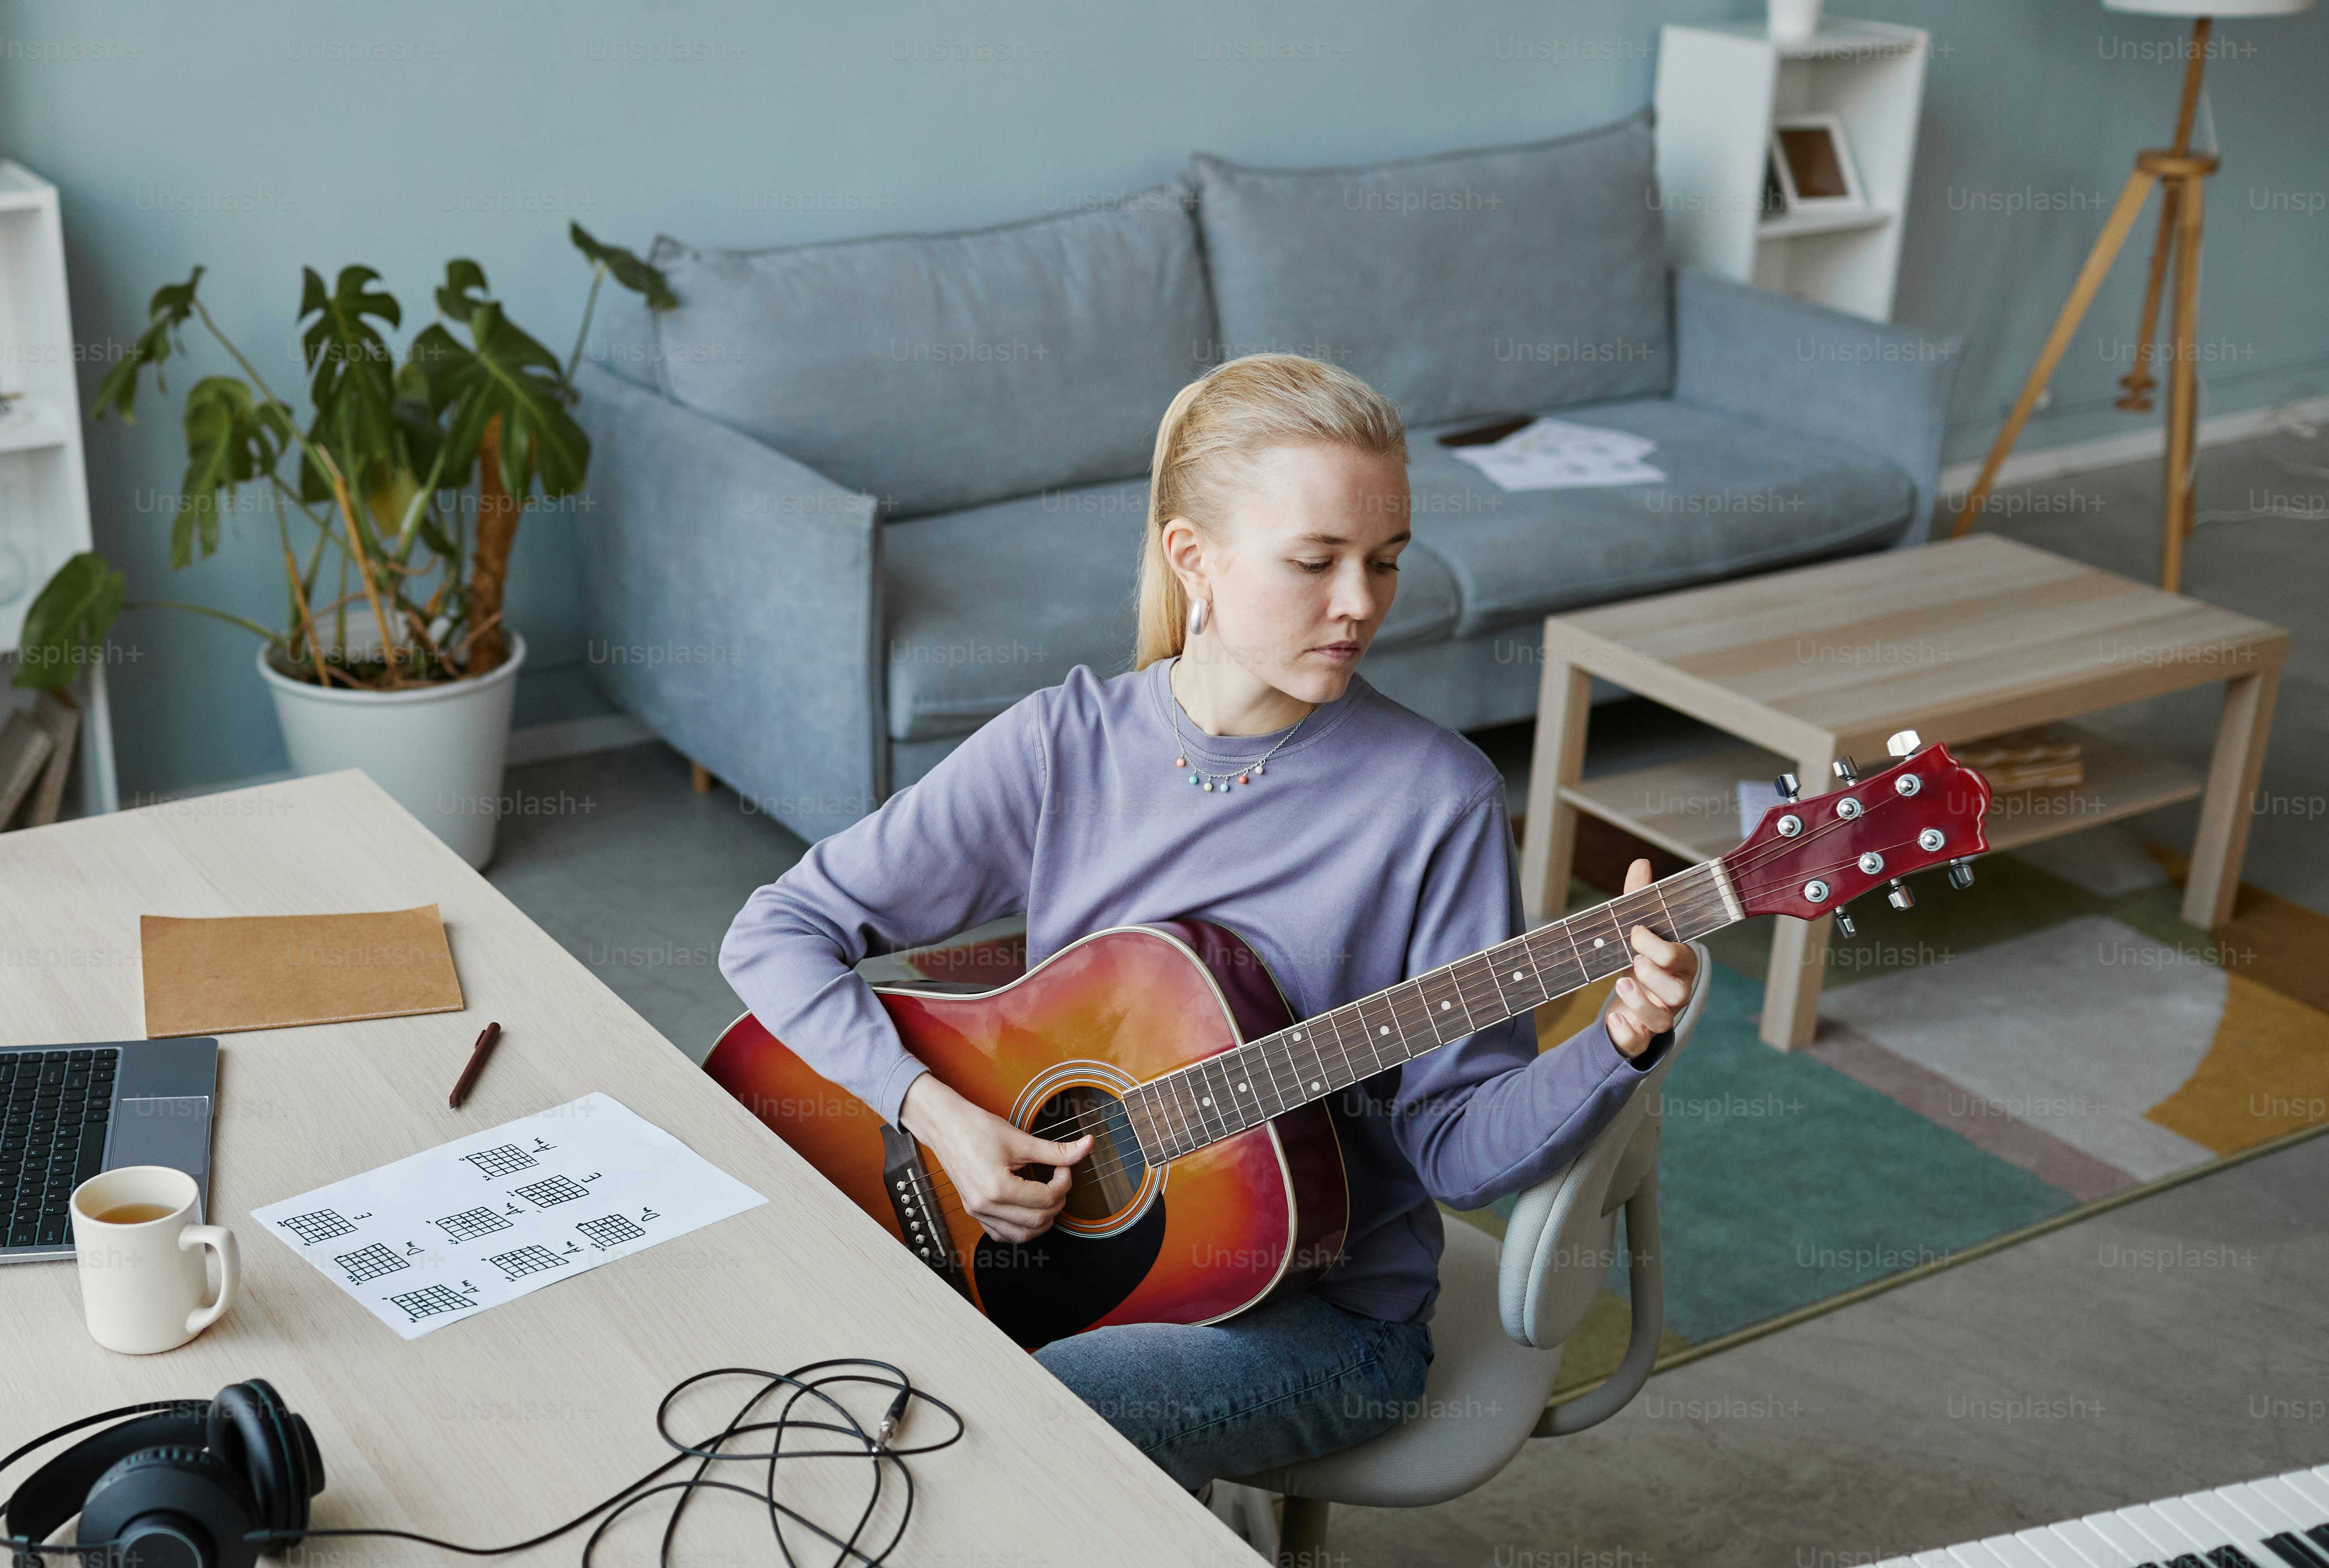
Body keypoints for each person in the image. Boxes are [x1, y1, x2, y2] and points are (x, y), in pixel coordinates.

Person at [719, 354, 1699, 1490]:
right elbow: (776, 931)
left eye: (1385, 561)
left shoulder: (1438, 800)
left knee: (998, 1426)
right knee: (812, 1344)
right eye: (1315, 562)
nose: (1361, 603)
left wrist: (1619, 1041)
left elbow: (1456, 1151)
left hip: (1329, 1320)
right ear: (1194, 556)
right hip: (1083, 1265)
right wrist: (934, 1113)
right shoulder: (1064, 745)